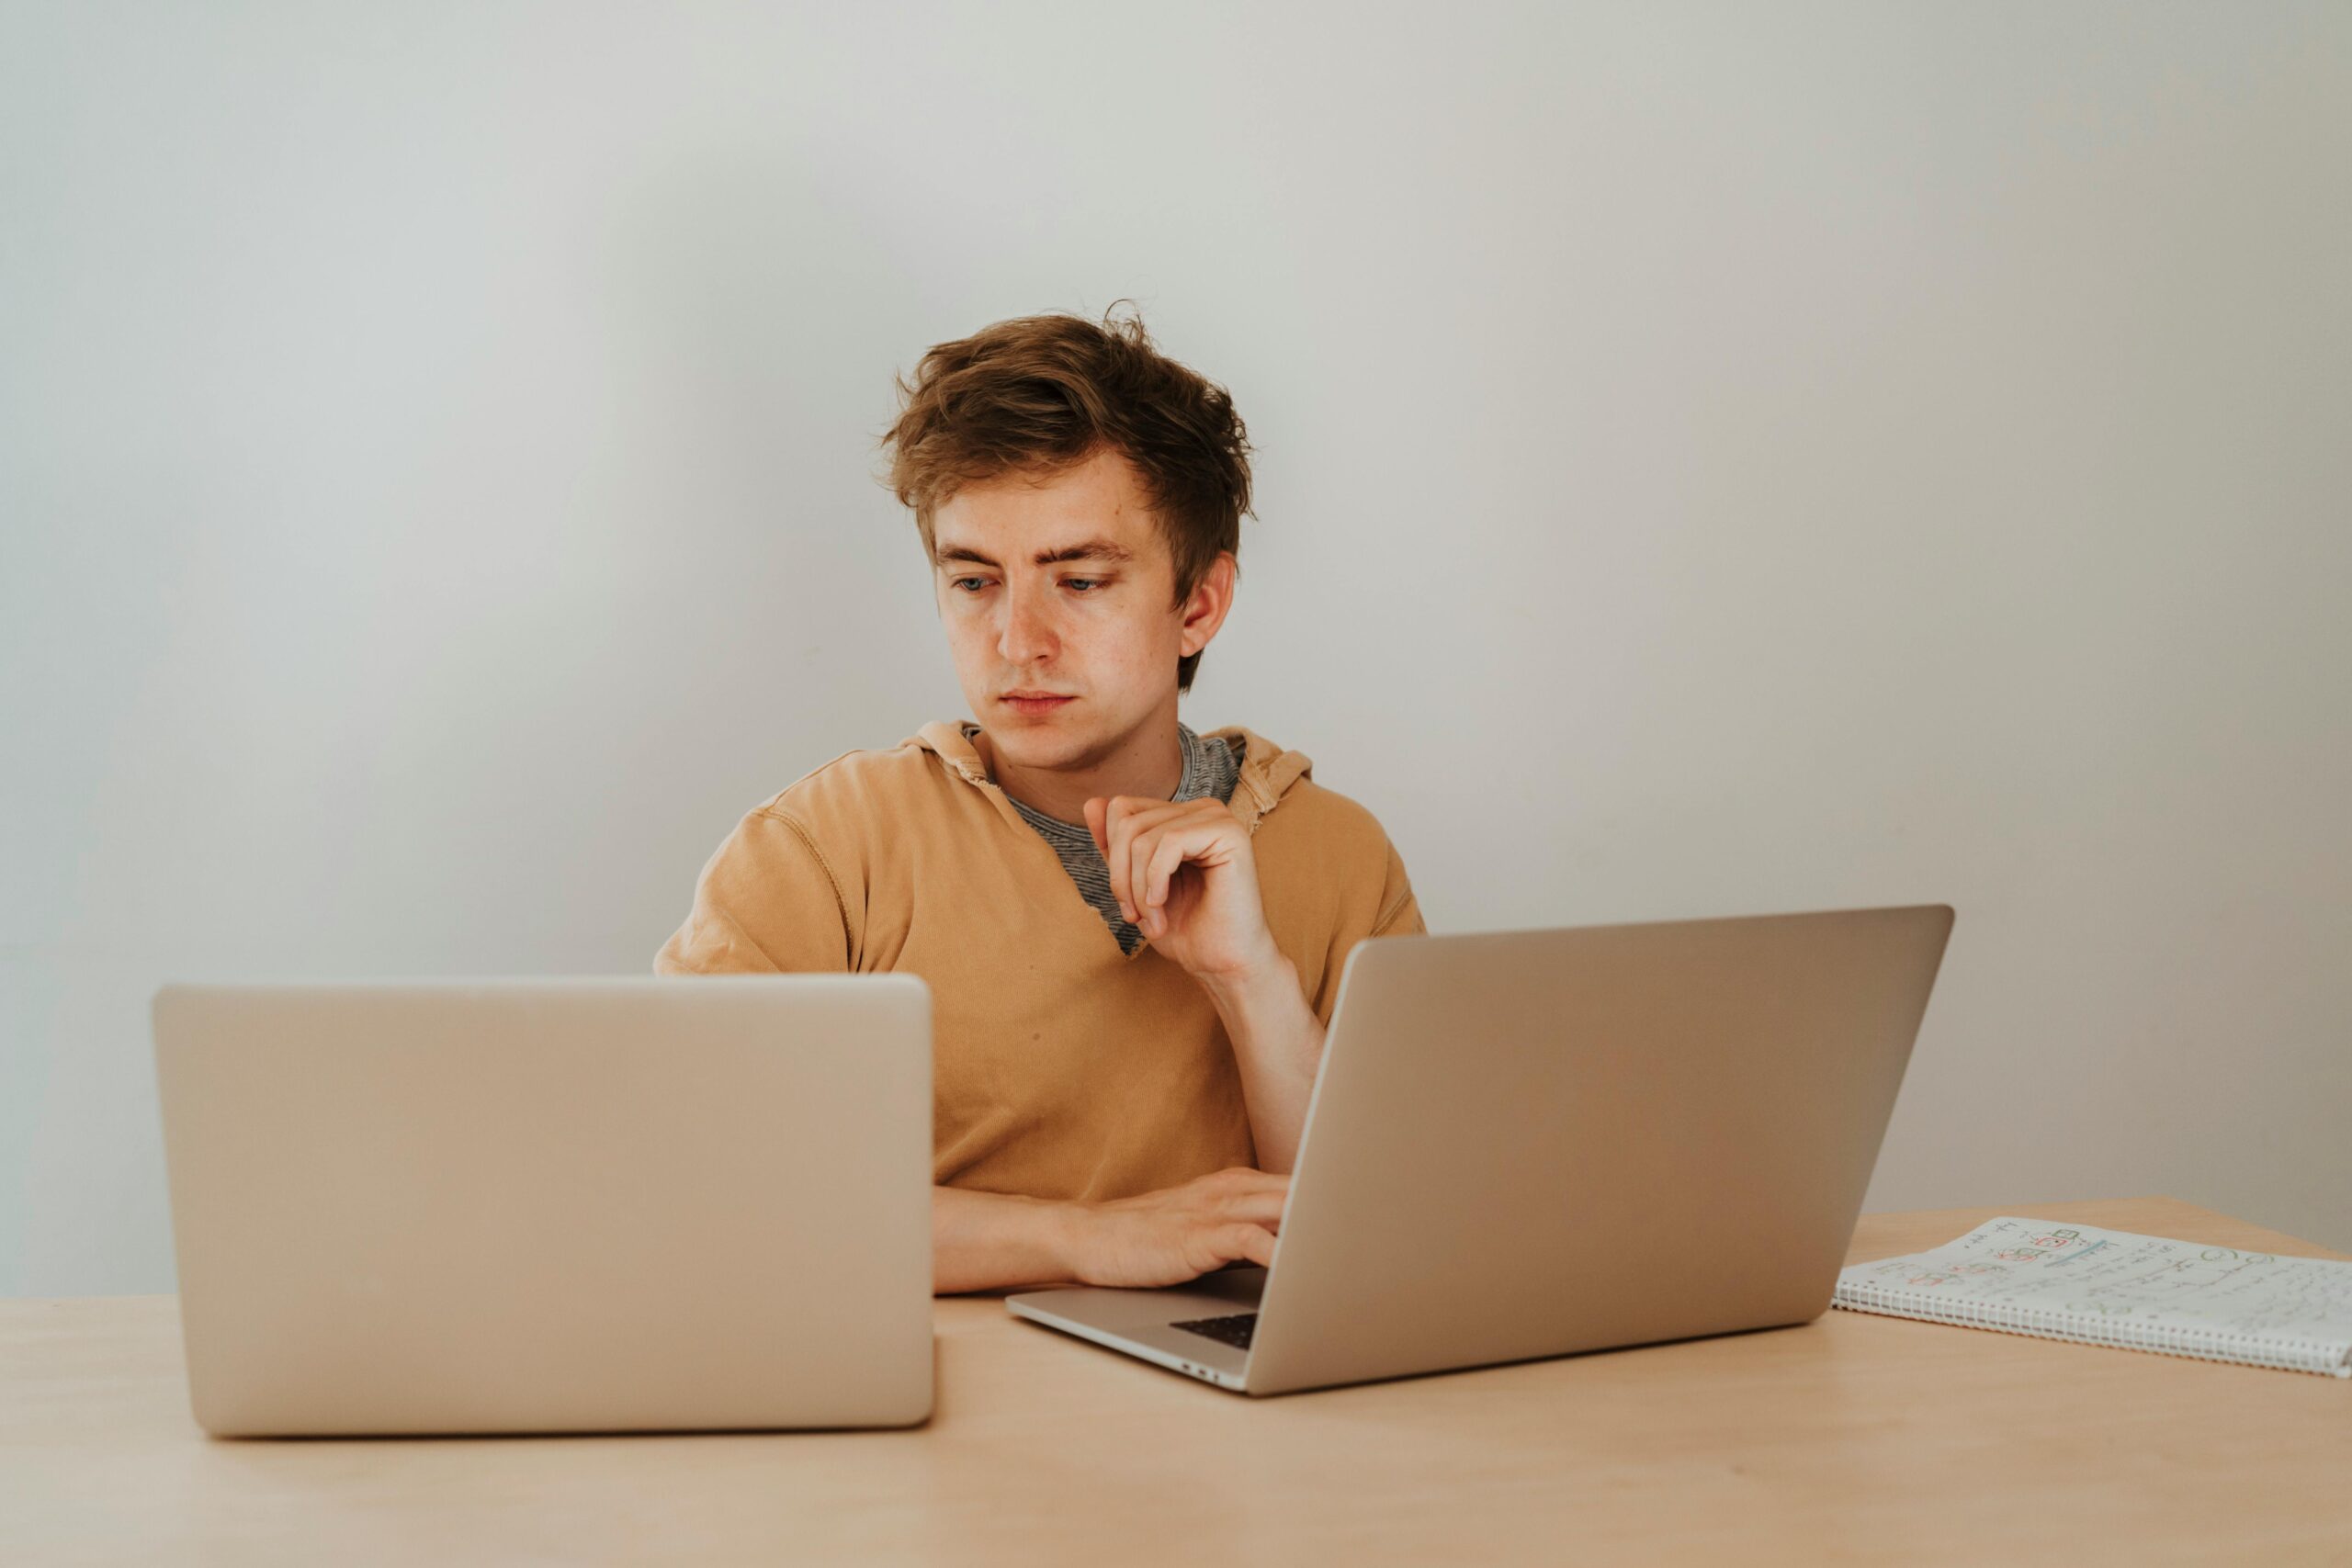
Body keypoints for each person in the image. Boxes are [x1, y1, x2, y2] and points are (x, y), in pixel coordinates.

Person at [654, 303, 1425, 1293]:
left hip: (1242, 1428)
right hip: (923, 1414)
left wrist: (1249, 980)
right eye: (974, 583)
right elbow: (697, 1192)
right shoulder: (821, 849)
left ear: (1198, 605)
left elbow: (1387, 1252)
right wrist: (1088, 1239)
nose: (1019, 641)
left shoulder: (1341, 855)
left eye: (1081, 581)